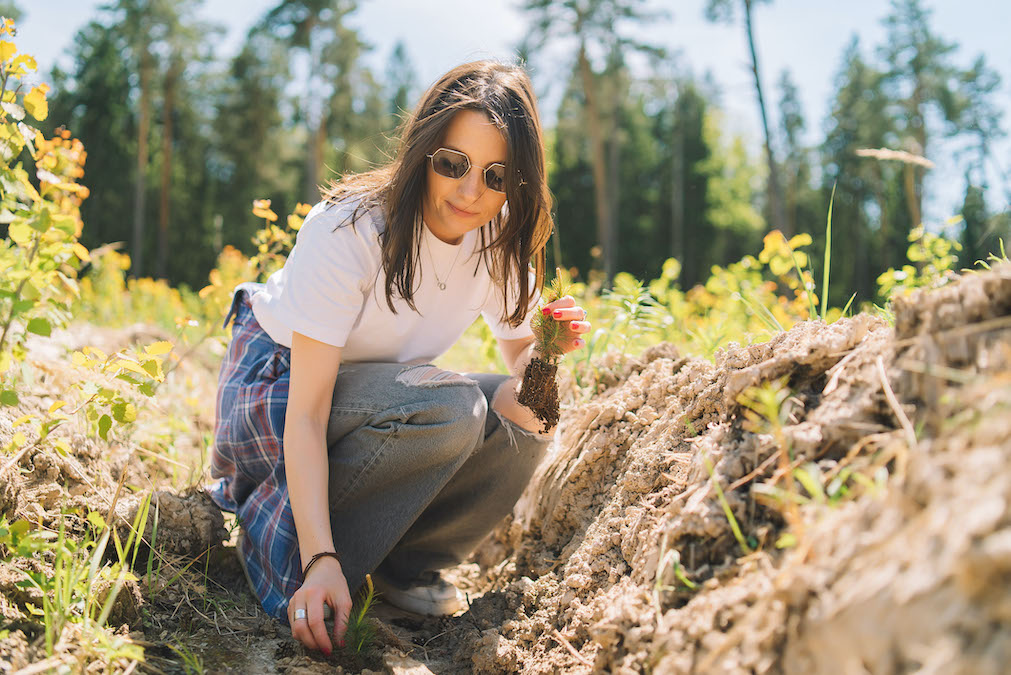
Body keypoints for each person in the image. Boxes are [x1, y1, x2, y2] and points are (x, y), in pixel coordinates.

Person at [208, 60, 591, 655]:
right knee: (452, 406)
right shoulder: (353, 228)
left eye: (495, 175)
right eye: (454, 164)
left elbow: (518, 352)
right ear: (424, 152)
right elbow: (306, 414)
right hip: (281, 385)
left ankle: (402, 569)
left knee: (532, 415)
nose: (471, 192)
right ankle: (308, 561)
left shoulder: (500, 238)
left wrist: (544, 356)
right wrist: (321, 559)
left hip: (369, 393)